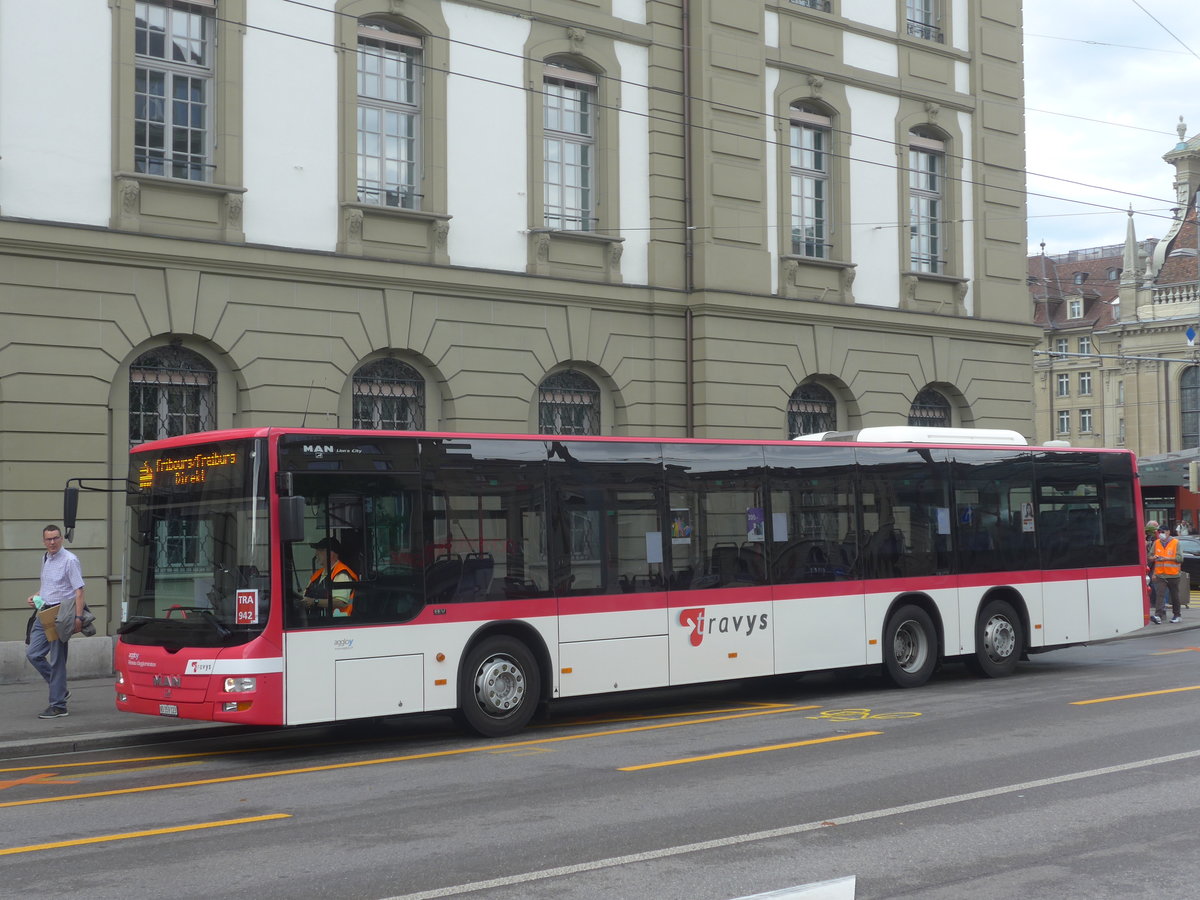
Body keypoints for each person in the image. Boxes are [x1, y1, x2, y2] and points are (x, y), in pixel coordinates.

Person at [25, 524, 85, 719]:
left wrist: (78, 617)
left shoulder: (70, 560)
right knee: (33, 653)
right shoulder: (46, 558)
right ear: (44, 541)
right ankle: (59, 688)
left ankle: (59, 706)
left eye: (56, 538)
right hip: (44, 611)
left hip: (61, 614)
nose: (52, 542)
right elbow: (48, 586)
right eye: (49, 539)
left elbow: (79, 591)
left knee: (58, 660)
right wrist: (35, 596)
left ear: (61, 539)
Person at [303, 537, 358, 617]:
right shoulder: (317, 574)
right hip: (318, 624)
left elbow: (341, 602)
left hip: (336, 624)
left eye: (320, 550)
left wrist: (315, 601)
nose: (316, 554)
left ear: (331, 554)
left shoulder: (341, 573)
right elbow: (305, 596)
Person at [1149, 525, 1183, 625]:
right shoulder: (1156, 543)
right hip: (1160, 574)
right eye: (1159, 532)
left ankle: (1177, 615)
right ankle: (1158, 616)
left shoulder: (1175, 542)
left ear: (1168, 532)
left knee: (1174, 595)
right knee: (1160, 595)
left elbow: (1180, 558)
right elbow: (1149, 556)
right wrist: (1153, 557)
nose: (1161, 534)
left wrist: (1166, 558)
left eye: (1163, 532)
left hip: (1173, 574)